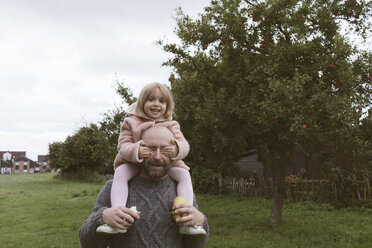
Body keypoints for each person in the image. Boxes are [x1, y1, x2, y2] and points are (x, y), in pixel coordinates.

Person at [97, 82, 205, 235]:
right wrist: (137, 150)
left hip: (166, 164)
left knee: (184, 174)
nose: (156, 104)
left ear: (168, 105)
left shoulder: (171, 124)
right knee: (121, 172)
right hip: (135, 162)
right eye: (151, 99)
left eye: (161, 101)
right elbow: (122, 147)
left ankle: (186, 217)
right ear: (142, 103)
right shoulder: (131, 122)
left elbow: (184, 146)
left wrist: (176, 149)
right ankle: (118, 216)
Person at [79, 126, 209, 248]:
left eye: (165, 150)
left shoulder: (181, 190)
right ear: (138, 150)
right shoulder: (114, 188)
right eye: (151, 149)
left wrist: (200, 221)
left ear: (175, 153)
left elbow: (195, 245)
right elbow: (88, 243)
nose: (157, 156)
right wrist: (101, 218)